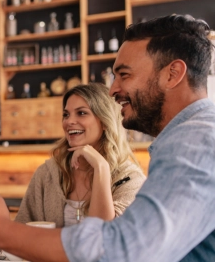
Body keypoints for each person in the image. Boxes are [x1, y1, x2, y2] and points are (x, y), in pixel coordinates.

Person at [0, 14, 215, 262]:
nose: (113, 89)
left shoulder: (195, 142)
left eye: (124, 74)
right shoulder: (186, 140)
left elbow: (121, 256)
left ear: (172, 74)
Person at [15, 83, 145, 228]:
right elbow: (20, 231)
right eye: (66, 115)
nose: (69, 122)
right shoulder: (47, 174)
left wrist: (100, 167)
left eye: (81, 113)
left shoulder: (131, 181)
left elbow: (105, 237)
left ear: (105, 121)